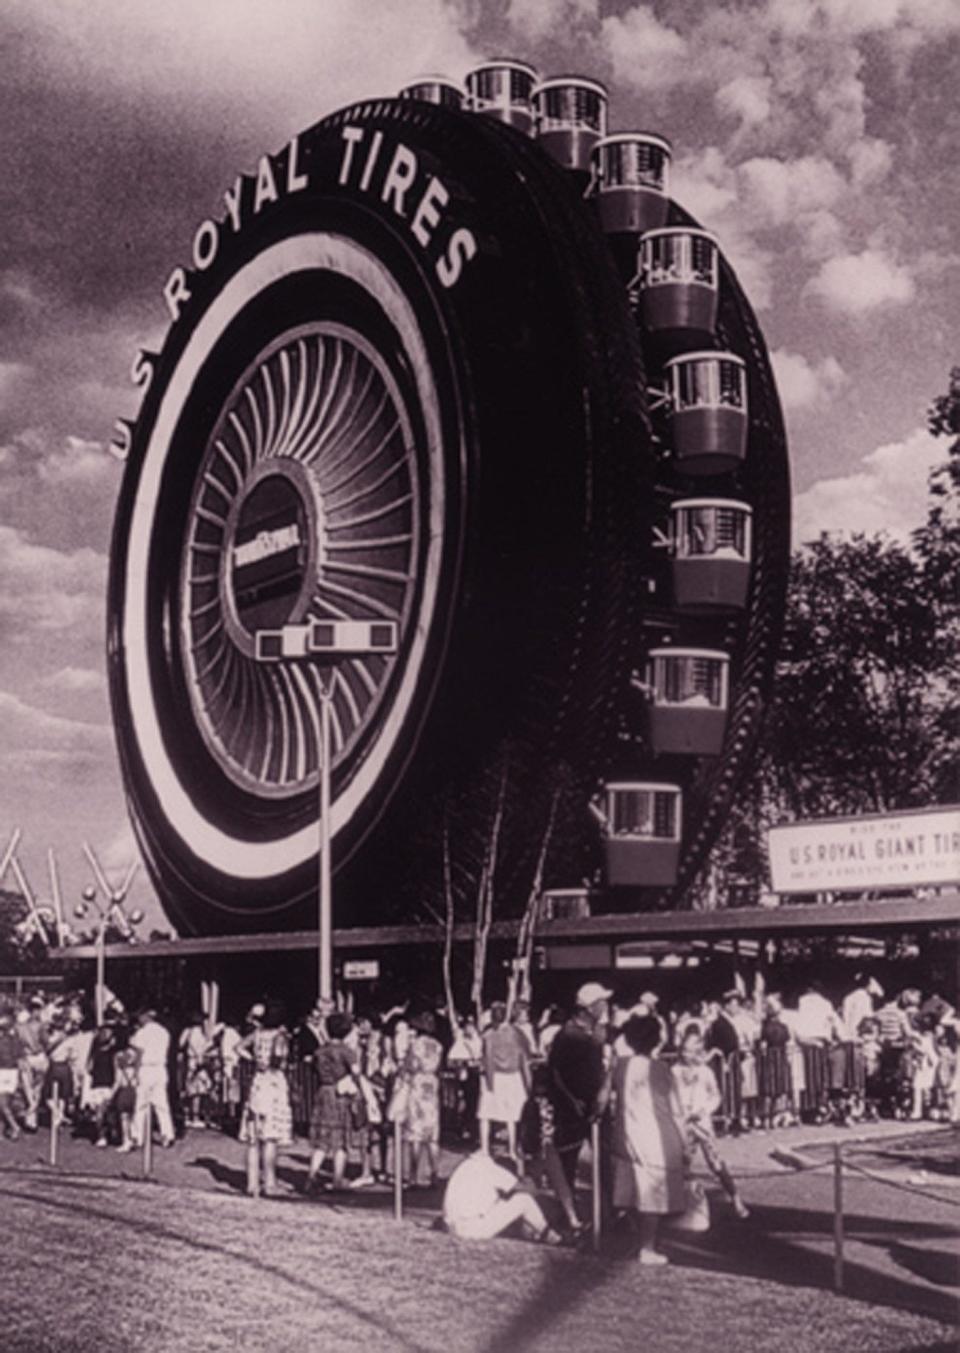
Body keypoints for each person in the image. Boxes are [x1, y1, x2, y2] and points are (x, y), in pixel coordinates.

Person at [610, 1013, 686, 1266]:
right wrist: (685, 1143)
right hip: (657, 1139)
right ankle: (647, 1247)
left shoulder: (619, 1066)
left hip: (626, 1137)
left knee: (633, 1195)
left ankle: (642, 1241)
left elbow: (602, 1098)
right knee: (654, 1197)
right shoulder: (662, 1069)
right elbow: (676, 1110)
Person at [543, 982, 611, 1235]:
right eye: (602, 1002)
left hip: (597, 1108)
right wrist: (573, 1102)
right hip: (573, 1110)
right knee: (567, 1161)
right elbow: (556, 1074)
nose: (606, 1006)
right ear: (589, 1007)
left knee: (604, 1159)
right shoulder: (568, 1035)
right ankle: (567, 1214)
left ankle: (608, 1212)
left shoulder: (597, 1032)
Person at [671, 1029, 749, 1218]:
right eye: (684, 1051)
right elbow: (669, 1096)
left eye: (691, 1051)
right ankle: (682, 1206)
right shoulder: (673, 1071)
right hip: (682, 1124)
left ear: (699, 1051)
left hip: (703, 1124)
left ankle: (735, 1197)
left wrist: (704, 1110)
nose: (687, 1055)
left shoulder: (705, 1072)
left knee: (716, 1163)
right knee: (681, 1165)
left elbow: (715, 1096)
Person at [442, 1150, 562, 1244]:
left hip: (451, 1227)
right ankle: (549, 1235)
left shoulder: (464, 1166)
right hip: (472, 1229)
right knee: (524, 1199)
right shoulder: (491, 1167)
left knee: (503, 1203)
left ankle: (536, 1232)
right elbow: (527, 1190)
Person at [237, 998, 292, 1197]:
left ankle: (251, 1183)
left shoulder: (257, 1034)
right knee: (270, 1138)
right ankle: (269, 1182)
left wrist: (253, 1059)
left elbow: (238, 1047)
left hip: (258, 1081)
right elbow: (278, 1058)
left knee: (253, 1138)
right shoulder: (280, 1036)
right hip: (274, 1082)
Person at [306, 1011, 364, 1192]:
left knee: (322, 1138)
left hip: (323, 1091)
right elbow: (356, 1072)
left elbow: (314, 1069)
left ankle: (311, 1175)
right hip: (341, 1094)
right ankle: (338, 1178)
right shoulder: (347, 1051)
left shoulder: (320, 1051)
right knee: (341, 1137)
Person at [478, 1002, 530, 1164]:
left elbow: (487, 1060)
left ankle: (485, 1149)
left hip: (496, 1077)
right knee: (512, 1117)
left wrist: (489, 1083)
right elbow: (524, 1059)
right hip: (514, 1077)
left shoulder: (489, 1035)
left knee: (485, 1115)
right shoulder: (517, 1033)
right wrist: (528, 1083)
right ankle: (513, 1149)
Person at [129, 1008, 176, 1149]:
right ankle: (168, 1134)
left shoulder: (142, 1033)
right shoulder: (164, 1032)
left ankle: (137, 1136)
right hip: (160, 1069)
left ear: (145, 1017)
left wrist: (135, 1072)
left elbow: (139, 1053)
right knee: (161, 1104)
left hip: (146, 1068)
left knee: (140, 1104)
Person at [85, 1023, 119, 1147]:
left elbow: (116, 1070)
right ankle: (102, 1135)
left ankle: (109, 1134)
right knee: (99, 1114)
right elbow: (89, 1068)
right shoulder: (95, 1052)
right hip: (97, 1085)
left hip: (108, 1086)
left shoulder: (113, 1053)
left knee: (106, 1113)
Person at [178, 1013, 211, 1128]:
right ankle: (194, 1116)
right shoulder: (199, 1033)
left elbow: (180, 1044)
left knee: (192, 1090)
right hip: (198, 1061)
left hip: (192, 1061)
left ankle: (189, 1115)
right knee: (197, 1091)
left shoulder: (188, 1031)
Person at [0, 1008, 23, 1139]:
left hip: (5, 1072)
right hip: (11, 1072)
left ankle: (14, 1126)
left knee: (2, 1104)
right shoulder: (15, 1040)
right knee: (4, 1104)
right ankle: (2, 1131)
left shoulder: (8, 1041)